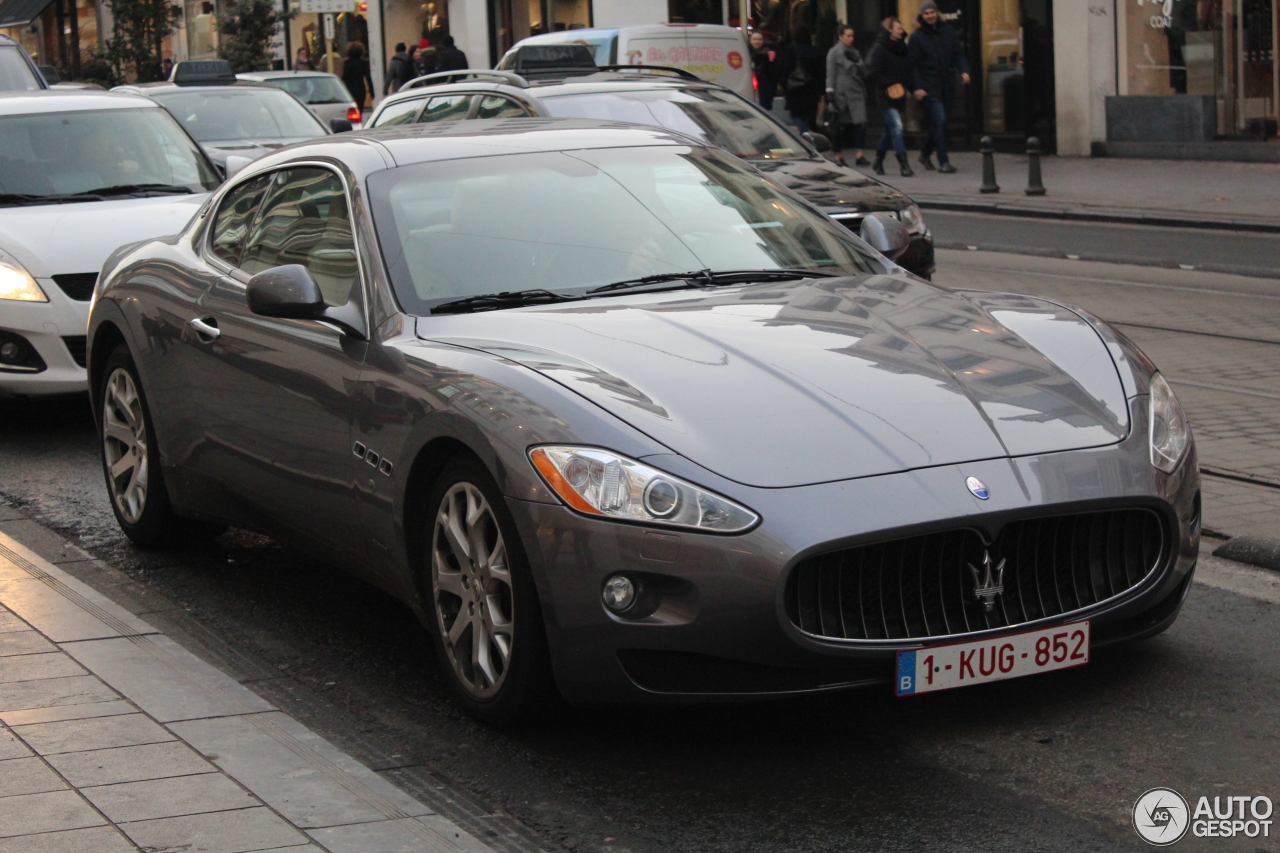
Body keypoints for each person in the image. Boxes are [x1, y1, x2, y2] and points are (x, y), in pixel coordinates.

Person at [907, 0, 969, 173]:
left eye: (932, 12)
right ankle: (944, 162)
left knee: (939, 123)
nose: (930, 16)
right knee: (939, 120)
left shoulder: (948, 32)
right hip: (929, 86)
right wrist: (918, 87)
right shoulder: (917, 37)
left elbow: (958, 54)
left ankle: (925, 154)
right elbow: (913, 66)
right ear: (922, 16)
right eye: (926, 13)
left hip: (947, 84)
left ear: (937, 13)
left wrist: (964, 71)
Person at [866, 16, 913, 177]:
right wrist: (890, 82)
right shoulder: (880, 48)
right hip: (885, 94)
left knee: (889, 131)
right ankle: (904, 165)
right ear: (890, 30)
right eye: (898, 28)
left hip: (899, 93)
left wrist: (913, 88)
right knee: (898, 127)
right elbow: (873, 73)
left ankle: (878, 160)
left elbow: (908, 71)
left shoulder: (903, 48)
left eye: (901, 28)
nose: (901, 30)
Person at [824, 24, 867, 167]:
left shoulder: (854, 52)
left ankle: (860, 154)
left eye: (852, 36)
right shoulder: (834, 52)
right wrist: (829, 91)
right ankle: (838, 155)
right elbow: (830, 73)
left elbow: (862, 70)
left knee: (860, 124)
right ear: (840, 36)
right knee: (839, 126)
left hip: (855, 90)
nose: (850, 39)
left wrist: (858, 62)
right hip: (841, 92)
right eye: (848, 36)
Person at [781, 25, 822, 134]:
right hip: (811, 90)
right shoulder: (815, 51)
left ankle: (806, 133)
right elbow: (820, 72)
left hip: (795, 88)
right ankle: (807, 133)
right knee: (808, 116)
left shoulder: (792, 49)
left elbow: (786, 69)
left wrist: (784, 86)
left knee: (796, 115)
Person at [748, 31, 779, 111]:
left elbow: (774, 65)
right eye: (754, 39)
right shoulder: (746, 52)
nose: (757, 41)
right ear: (750, 40)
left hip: (765, 84)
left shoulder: (769, 51)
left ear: (763, 41)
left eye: (759, 39)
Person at [341, 41, 374, 110]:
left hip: (350, 89)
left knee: (351, 109)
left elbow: (345, 76)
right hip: (360, 89)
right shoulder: (363, 63)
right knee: (359, 109)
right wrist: (372, 92)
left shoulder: (347, 63)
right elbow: (368, 78)